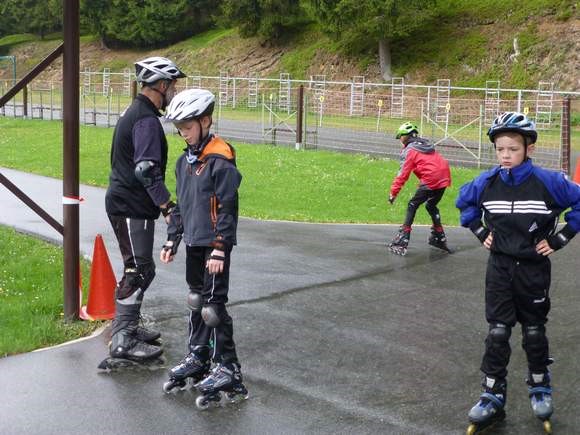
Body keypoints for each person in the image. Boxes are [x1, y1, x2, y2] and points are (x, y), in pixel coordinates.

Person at [456, 112, 580, 432]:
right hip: (499, 268)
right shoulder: (488, 182)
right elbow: (463, 202)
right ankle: (492, 393)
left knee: (534, 331)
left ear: (529, 149)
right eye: (500, 149)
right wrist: (479, 231)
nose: (506, 155)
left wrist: (561, 237)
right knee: (498, 332)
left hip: (533, 269)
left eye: (512, 148)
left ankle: (540, 386)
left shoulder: (548, 182)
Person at [160, 89, 247, 406]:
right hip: (195, 243)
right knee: (196, 301)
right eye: (179, 127)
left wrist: (221, 247)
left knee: (213, 308)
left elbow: (228, 208)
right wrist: (173, 238)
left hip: (215, 245)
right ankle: (198, 356)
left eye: (186, 126)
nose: (182, 132)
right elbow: (181, 205)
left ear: (205, 120)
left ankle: (229, 368)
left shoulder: (220, 160)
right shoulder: (185, 161)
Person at [104, 56, 186, 363]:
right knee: (137, 270)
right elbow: (146, 170)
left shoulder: (137, 111)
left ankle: (127, 327)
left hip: (130, 204)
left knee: (141, 269)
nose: (174, 92)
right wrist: (167, 205)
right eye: (173, 85)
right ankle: (123, 340)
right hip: (130, 206)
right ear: (161, 86)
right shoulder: (147, 120)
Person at [387, 121, 452, 255]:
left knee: (412, 204)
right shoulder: (426, 145)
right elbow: (429, 164)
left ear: (406, 136)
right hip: (444, 176)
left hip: (432, 179)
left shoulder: (410, 151)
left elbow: (402, 174)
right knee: (431, 205)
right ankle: (439, 236)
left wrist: (393, 193)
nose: (400, 140)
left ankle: (403, 239)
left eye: (400, 137)